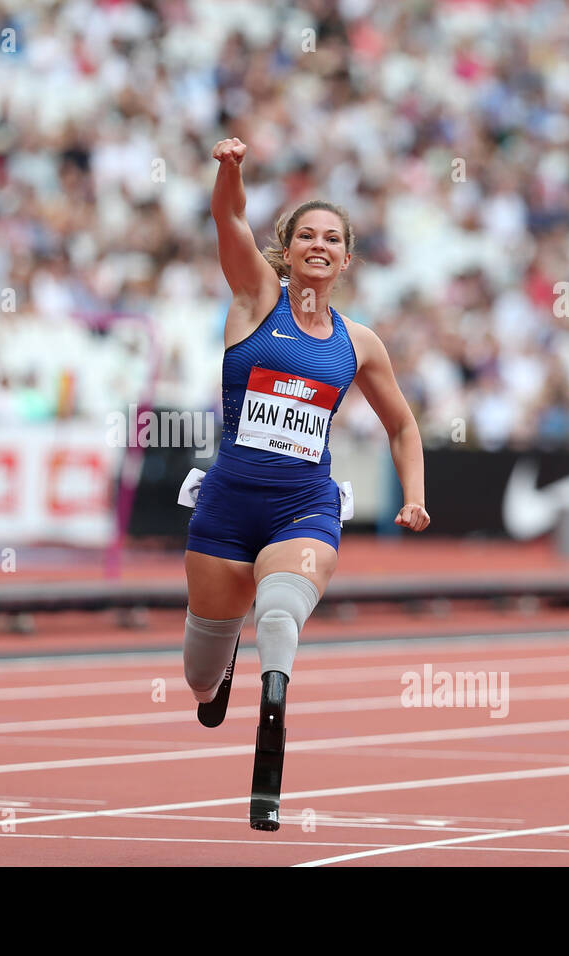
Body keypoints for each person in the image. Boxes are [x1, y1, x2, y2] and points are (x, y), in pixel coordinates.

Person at [184, 138, 430, 831]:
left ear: (346, 258)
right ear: (287, 250)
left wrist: (413, 495)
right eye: (306, 236)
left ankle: (273, 720)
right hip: (227, 509)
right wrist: (230, 171)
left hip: (304, 506)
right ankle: (226, 662)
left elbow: (403, 426)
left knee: (281, 613)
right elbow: (229, 223)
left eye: (332, 238)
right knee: (200, 679)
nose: (318, 246)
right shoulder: (254, 299)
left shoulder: (360, 343)